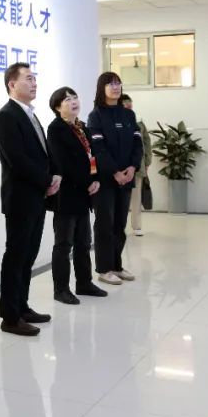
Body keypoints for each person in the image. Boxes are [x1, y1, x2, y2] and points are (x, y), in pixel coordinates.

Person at [0, 63, 60, 336]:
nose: (34, 83)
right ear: (12, 84)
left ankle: (22, 307)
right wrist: (46, 181)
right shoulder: (6, 116)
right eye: (28, 79)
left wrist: (53, 176)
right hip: (20, 198)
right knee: (16, 256)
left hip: (37, 196)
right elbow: (17, 160)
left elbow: (43, 152)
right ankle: (10, 317)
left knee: (28, 255)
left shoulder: (30, 114)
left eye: (35, 79)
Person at [47, 87, 107, 305]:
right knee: (64, 244)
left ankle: (84, 283)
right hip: (66, 195)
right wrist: (87, 181)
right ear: (57, 107)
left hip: (84, 194)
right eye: (67, 99)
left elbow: (92, 157)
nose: (73, 102)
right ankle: (61, 289)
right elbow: (63, 163)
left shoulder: (82, 128)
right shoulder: (56, 129)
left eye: (75, 97)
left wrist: (96, 178)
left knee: (84, 242)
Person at [87, 72, 143, 286]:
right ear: (102, 88)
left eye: (118, 83)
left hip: (126, 178)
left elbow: (137, 144)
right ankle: (104, 269)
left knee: (120, 224)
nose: (116, 87)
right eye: (110, 84)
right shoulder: (96, 116)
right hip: (106, 180)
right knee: (105, 224)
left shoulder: (128, 115)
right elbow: (98, 149)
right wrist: (115, 172)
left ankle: (117, 266)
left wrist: (132, 167)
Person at [119, 94, 152, 237]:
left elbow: (146, 143)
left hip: (137, 166)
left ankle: (137, 226)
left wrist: (147, 161)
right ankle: (119, 226)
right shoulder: (114, 122)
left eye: (130, 105)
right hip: (119, 168)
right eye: (125, 105)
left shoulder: (139, 123)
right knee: (120, 199)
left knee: (136, 197)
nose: (129, 107)